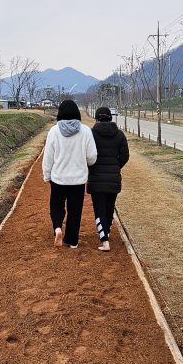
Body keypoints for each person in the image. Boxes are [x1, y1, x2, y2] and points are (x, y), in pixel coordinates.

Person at [42, 99, 97, 249]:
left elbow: (48, 157)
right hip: (78, 180)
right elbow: (92, 156)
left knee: (56, 206)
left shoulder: (54, 131)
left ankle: (57, 228)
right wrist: (84, 162)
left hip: (58, 178)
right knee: (75, 210)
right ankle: (72, 241)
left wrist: (47, 175)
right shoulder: (86, 131)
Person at [86, 107, 129, 252]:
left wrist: (91, 168)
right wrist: (116, 167)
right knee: (110, 207)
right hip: (113, 178)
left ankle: (104, 241)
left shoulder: (91, 134)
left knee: (99, 209)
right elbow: (125, 156)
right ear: (110, 117)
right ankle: (107, 231)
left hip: (96, 178)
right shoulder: (120, 134)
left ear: (97, 118)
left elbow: (87, 155)